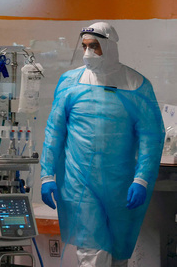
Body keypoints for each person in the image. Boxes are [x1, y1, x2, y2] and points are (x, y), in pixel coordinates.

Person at [40, 22, 165, 266]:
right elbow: (54, 132)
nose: (88, 53)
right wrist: (47, 175)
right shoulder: (70, 83)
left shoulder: (136, 85)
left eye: (94, 46)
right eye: (85, 46)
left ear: (109, 47)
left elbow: (152, 137)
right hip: (80, 181)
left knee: (118, 255)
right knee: (93, 252)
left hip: (121, 183)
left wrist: (142, 179)